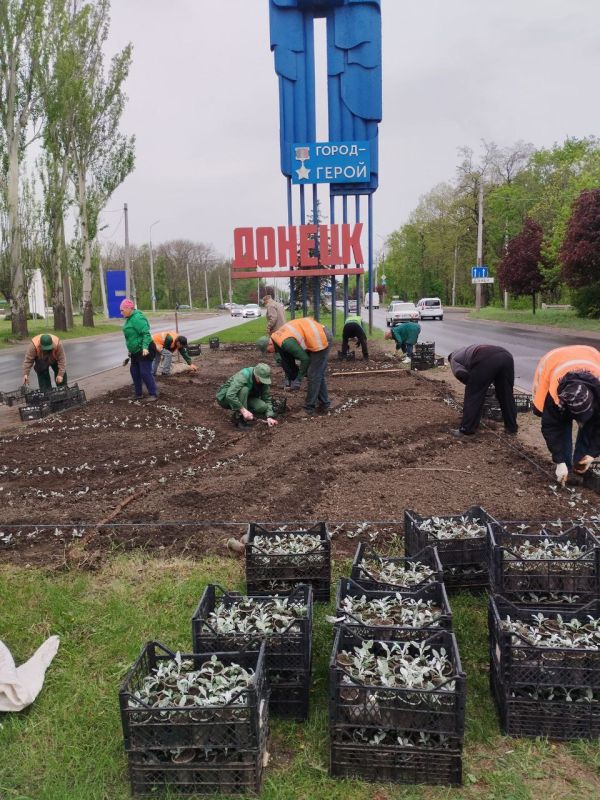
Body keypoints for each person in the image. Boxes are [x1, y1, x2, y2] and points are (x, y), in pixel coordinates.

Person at [532, 345, 600, 486]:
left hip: (590, 355)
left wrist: (592, 454)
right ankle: (567, 468)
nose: (579, 423)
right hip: (554, 362)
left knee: (592, 426)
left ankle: (579, 467)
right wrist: (559, 461)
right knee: (561, 427)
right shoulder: (554, 399)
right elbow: (551, 427)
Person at [448, 344, 518, 438]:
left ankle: (466, 429)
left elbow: (461, 374)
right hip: (506, 356)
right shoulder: (464, 351)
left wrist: (476, 386)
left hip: (486, 358)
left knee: (473, 394)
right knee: (506, 395)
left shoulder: (453, 359)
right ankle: (511, 428)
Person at [268, 317, 333, 414]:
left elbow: (305, 359)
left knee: (313, 373)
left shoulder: (285, 342)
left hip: (321, 336)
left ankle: (309, 408)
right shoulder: (277, 338)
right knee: (316, 373)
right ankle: (325, 403)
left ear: (269, 344)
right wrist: (290, 377)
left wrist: (298, 380)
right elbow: (287, 360)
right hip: (314, 337)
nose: (269, 353)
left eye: (267, 350)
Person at [216, 363, 279, 430]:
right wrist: (243, 410)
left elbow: (266, 399)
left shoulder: (264, 381)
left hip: (245, 397)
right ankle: (239, 419)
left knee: (262, 406)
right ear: (256, 375)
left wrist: (269, 416)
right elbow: (230, 395)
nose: (262, 381)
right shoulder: (243, 375)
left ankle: (242, 414)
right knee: (244, 390)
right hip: (225, 399)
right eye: (261, 379)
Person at [120, 299, 158, 401]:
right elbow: (131, 337)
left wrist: (145, 347)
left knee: (145, 372)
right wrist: (130, 350)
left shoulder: (137, 318)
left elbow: (146, 333)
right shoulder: (129, 319)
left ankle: (153, 394)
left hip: (145, 348)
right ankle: (138, 394)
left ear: (129, 308)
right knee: (134, 371)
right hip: (135, 351)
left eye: (122, 310)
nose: (121, 312)